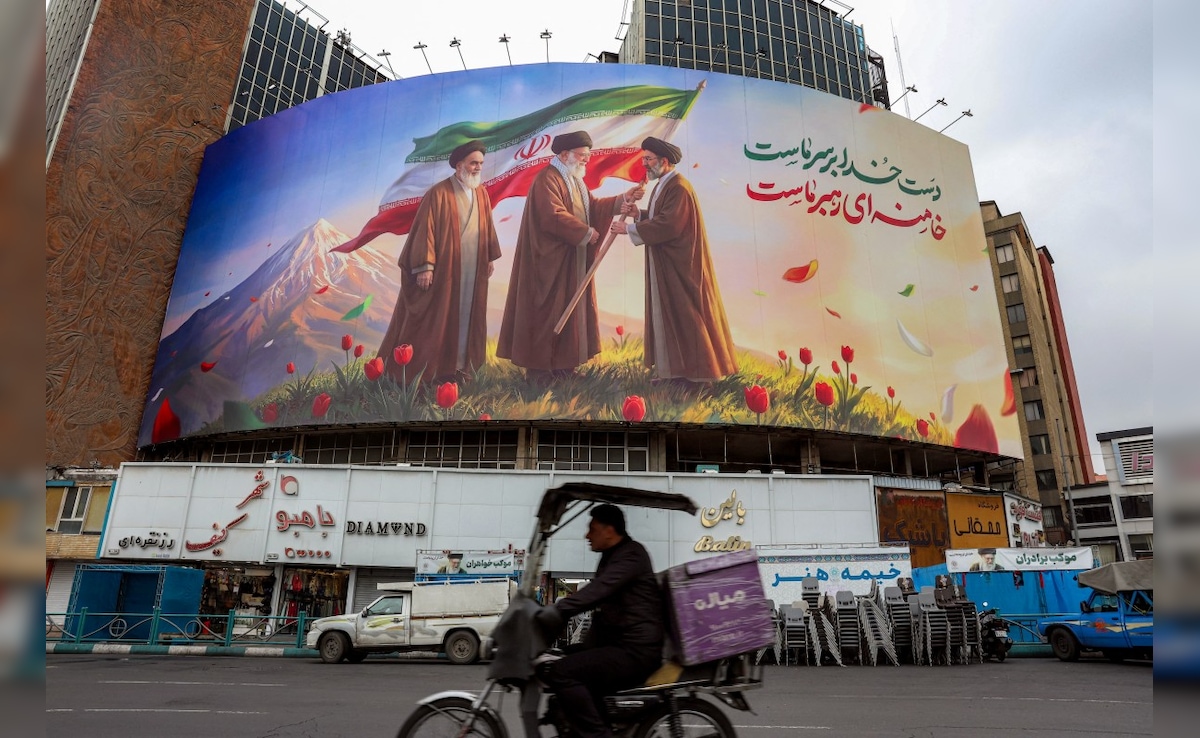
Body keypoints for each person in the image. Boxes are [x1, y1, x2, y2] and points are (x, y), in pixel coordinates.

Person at [497, 131, 643, 384]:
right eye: (582, 155)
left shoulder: (574, 179)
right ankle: (540, 371)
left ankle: (564, 367)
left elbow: (593, 207)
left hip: (570, 260)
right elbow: (551, 215)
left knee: (570, 311)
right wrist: (585, 232)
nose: (586, 160)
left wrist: (623, 199)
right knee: (547, 312)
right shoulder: (547, 179)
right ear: (564, 155)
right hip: (548, 264)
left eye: (587, 156)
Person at [609, 137, 737, 384]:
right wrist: (639, 215)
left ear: (664, 161)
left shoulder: (679, 187)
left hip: (682, 267)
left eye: (648, 159)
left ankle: (701, 379)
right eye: (643, 158)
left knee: (688, 317)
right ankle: (677, 374)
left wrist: (629, 230)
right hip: (668, 263)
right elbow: (661, 217)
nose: (644, 164)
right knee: (671, 317)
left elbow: (670, 224)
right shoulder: (663, 185)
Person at [378, 140, 502, 384]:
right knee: (437, 320)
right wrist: (426, 266)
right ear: (459, 165)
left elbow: (487, 228)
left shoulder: (481, 193)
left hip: (472, 270)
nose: (478, 168)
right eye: (473, 163)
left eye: (480, 163)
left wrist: (488, 257)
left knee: (467, 318)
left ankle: (458, 369)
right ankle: (431, 373)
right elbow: (426, 230)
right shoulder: (438, 193)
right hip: (445, 270)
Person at [536, 504, 664, 738]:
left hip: (636, 650)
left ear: (609, 530)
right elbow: (599, 606)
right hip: (619, 645)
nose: (587, 535)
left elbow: (597, 592)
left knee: (562, 672)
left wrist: (556, 610)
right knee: (561, 661)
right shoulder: (612, 556)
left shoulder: (631, 555)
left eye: (592, 529)